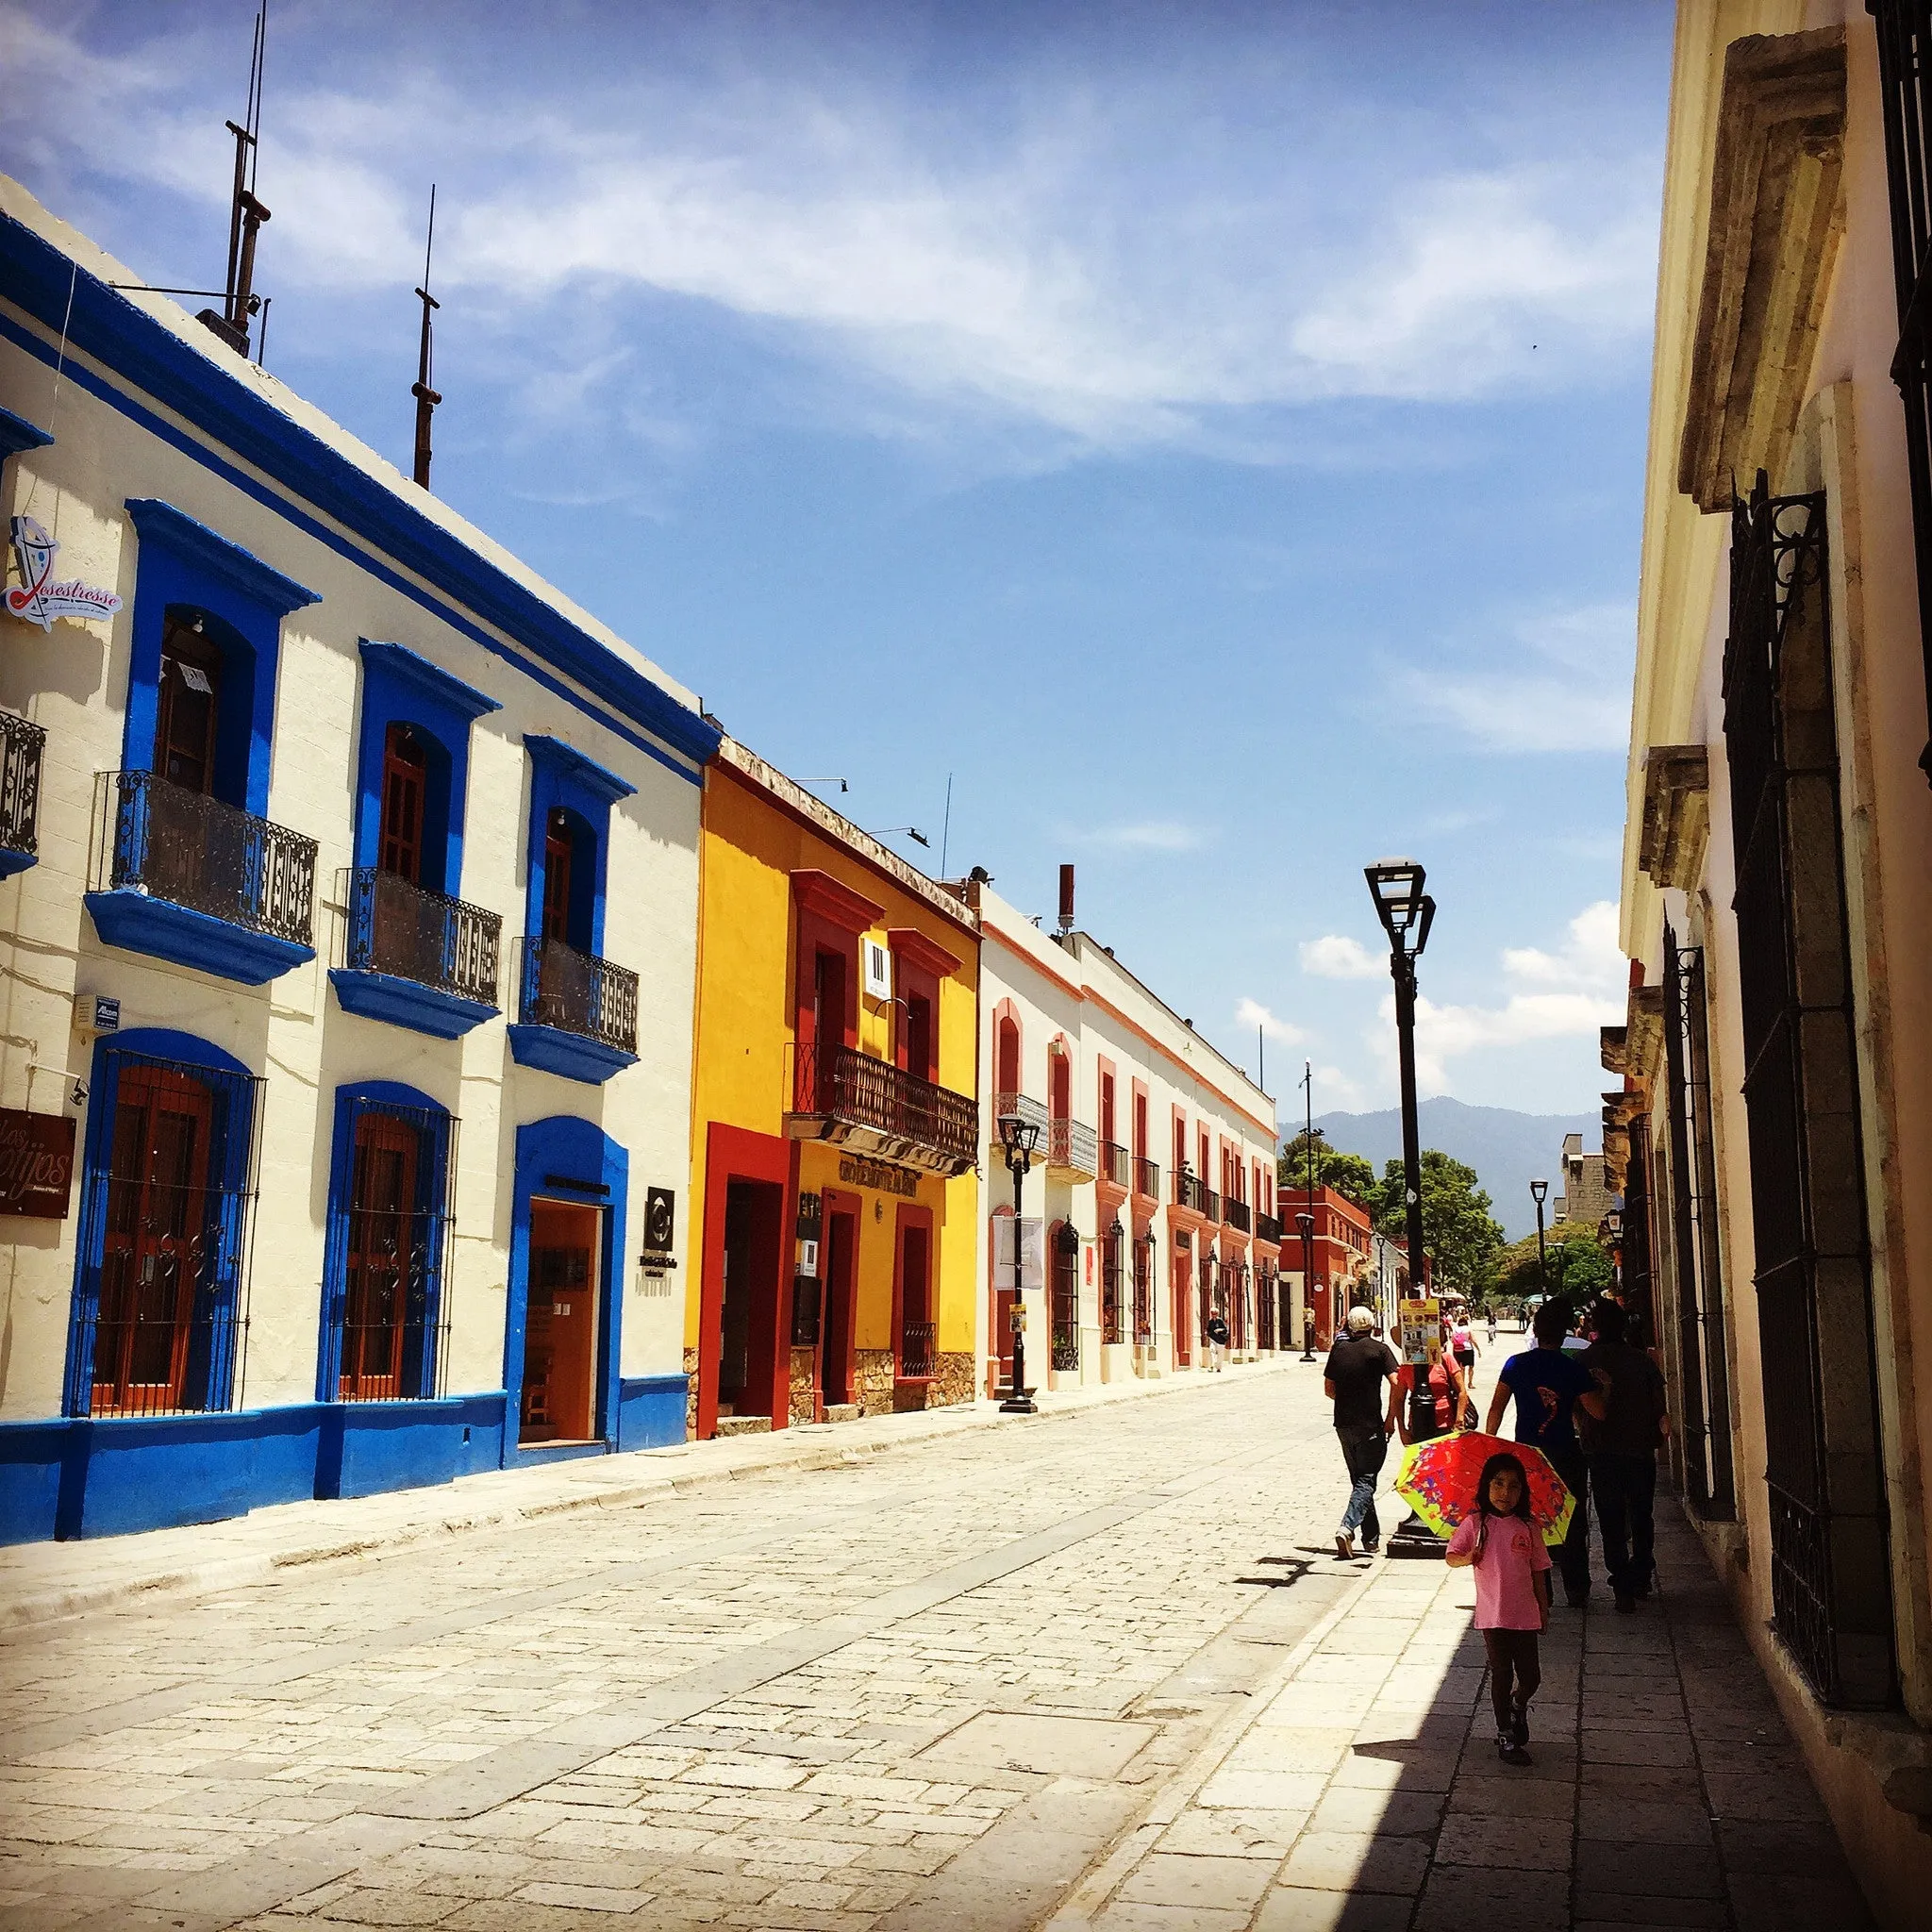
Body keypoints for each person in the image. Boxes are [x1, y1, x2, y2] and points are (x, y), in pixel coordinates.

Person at [1485, 1298, 1596, 1607]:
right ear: (1563, 1335)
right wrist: (1604, 1388)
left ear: (1534, 1330)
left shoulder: (1516, 1365)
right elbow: (1596, 1412)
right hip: (1564, 1451)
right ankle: (1576, 1589)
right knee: (1571, 1520)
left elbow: (1496, 1408)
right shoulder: (1573, 1369)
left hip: (1528, 1456)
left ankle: (1541, 1591)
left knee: (1534, 1522)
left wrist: (1490, 1446)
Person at [1446, 1451, 1551, 1767]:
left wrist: (1543, 1612)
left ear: (1523, 1492)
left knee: (1531, 1676)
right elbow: (1452, 1555)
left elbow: (1538, 1572)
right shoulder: (1476, 1524)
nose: (1505, 1493)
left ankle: (1518, 1706)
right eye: (1498, 1484)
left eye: (1514, 1486)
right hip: (1493, 1615)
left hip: (1525, 1614)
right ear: (1486, 1486)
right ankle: (1505, 1733)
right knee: (1502, 1673)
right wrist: (1469, 1557)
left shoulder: (1529, 1527)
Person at [1578, 1298, 1669, 1613]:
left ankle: (1621, 1582)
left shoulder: (1585, 1360)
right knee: (1642, 1514)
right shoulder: (1641, 1361)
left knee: (1611, 1518)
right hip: (1639, 1448)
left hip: (1602, 1451)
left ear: (1595, 1326)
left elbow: (1579, 1409)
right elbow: (1659, 1402)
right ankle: (1641, 1574)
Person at [1324, 1305, 1401, 1559]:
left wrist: (1345, 1400)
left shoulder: (1339, 1350)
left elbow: (1329, 1389)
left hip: (1343, 1424)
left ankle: (1371, 1539)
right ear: (1372, 1325)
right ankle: (1347, 1527)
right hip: (1370, 1423)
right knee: (1366, 1481)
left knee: (1360, 1480)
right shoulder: (1380, 1350)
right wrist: (1391, 1418)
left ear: (1349, 1325)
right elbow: (1397, 1383)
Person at [1394, 1338, 1469, 1445]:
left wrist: (1459, 1421)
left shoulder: (1445, 1359)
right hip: (1418, 1425)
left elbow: (1462, 1391)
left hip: (1447, 1426)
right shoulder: (1407, 1366)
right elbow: (1398, 1398)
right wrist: (1402, 1430)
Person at [1206, 1308, 1230, 1372]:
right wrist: (1207, 1333)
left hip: (1220, 1340)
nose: (1214, 1315)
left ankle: (1218, 1367)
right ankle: (1211, 1365)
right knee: (1211, 1350)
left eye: (1215, 1314)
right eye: (1212, 1313)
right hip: (1213, 1339)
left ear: (1217, 1314)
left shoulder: (1220, 1320)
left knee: (1220, 1355)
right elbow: (1208, 1329)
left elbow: (1225, 1330)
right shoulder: (1210, 1321)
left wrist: (1219, 1330)